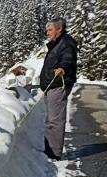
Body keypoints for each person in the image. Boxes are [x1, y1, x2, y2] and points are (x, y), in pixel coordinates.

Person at [40, 17, 78, 161]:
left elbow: (68, 58)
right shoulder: (56, 43)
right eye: (47, 29)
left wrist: (62, 68)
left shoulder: (66, 43)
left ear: (59, 29)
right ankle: (49, 150)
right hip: (52, 85)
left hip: (58, 85)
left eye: (50, 29)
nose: (47, 32)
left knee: (55, 120)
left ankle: (54, 154)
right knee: (50, 119)